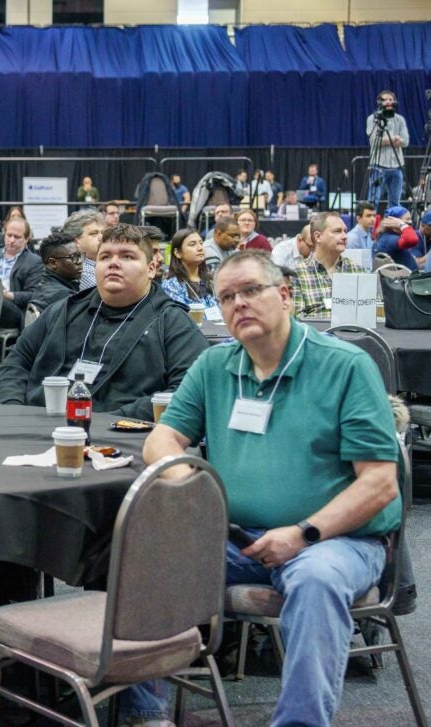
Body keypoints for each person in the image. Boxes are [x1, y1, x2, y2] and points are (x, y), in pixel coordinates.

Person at [136, 251, 401, 727]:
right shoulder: (215, 365)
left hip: (335, 541)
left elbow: (380, 485)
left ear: (285, 295)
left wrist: (302, 534)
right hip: (237, 538)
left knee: (316, 580)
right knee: (149, 556)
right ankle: (146, 713)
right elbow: (161, 440)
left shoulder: (346, 366)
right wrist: (193, 494)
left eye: (251, 290)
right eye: (226, 297)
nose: (239, 303)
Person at [0, 224, 208, 418]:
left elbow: (189, 390)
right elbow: (17, 360)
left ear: (151, 269)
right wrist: (14, 412)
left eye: (127, 257)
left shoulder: (172, 322)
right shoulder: (65, 309)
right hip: (39, 425)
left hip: (123, 436)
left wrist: (111, 421)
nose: (113, 263)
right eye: (105, 257)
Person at [292, 211, 365, 318]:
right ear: (318, 237)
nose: (345, 236)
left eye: (345, 231)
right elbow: (298, 321)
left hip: (353, 334)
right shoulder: (298, 274)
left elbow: (371, 313)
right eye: (337, 231)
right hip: (316, 333)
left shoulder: (358, 271)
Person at [366, 90, 409, 209]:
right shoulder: (372, 119)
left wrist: (386, 141)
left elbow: (405, 141)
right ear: (379, 102)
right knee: (373, 201)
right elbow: (374, 141)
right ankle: (369, 227)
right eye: (385, 99)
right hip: (378, 166)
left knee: (395, 202)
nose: (389, 102)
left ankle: (391, 226)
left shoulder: (400, 119)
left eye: (391, 99)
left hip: (396, 166)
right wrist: (394, 139)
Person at [161, 228, 217, 309]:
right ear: (177, 253)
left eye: (201, 243)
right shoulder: (171, 285)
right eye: (192, 244)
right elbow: (182, 316)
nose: (200, 248)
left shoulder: (211, 278)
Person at [31, 230, 82, 312]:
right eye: (73, 257)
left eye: (80, 255)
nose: (80, 261)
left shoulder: (45, 285)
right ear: (53, 263)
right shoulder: (61, 296)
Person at [63, 208, 104, 290]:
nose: (101, 237)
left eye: (102, 232)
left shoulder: (102, 263)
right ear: (75, 241)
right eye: (94, 233)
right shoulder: (80, 271)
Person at [373, 206, 421, 271]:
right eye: (407, 219)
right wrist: (402, 225)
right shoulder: (389, 239)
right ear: (393, 222)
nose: (410, 222)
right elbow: (412, 239)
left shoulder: (387, 236)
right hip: (405, 279)